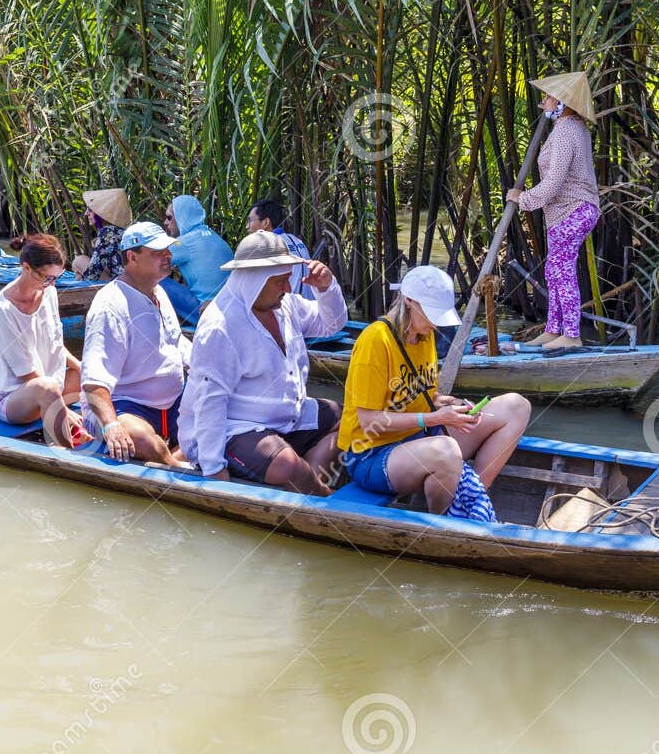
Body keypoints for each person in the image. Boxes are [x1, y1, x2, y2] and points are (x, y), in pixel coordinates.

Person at [338, 266, 531, 521]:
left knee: (516, 406)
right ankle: (444, 523)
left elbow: (425, 397)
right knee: (447, 450)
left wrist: (452, 404)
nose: (434, 323)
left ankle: (469, 505)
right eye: (430, 314)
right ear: (408, 301)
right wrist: (436, 419)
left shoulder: (424, 335)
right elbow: (369, 421)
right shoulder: (376, 340)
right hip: (372, 454)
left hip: (419, 436)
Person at [180, 231, 348, 494]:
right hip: (232, 429)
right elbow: (210, 401)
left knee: (351, 420)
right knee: (285, 464)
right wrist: (214, 469)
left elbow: (332, 324)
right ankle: (325, 501)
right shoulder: (220, 326)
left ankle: (311, 478)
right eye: (280, 282)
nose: (288, 289)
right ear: (254, 280)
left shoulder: (285, 305)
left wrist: (326, 289)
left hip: (287, 417)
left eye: (287, 280)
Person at [81, 222, 192, 468]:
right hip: (128, 405)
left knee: (222, 419)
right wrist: (111, 425)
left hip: (173, 403)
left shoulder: (159, 291)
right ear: (132, 256)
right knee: (145, 442)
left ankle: (173, 459)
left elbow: (177, 343)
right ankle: (176, 467)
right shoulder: (111, 304)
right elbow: (94, 381)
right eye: (157, 253)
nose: (168, 257)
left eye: (168, 251)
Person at [507, 72, 600, 348]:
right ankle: (553, 329)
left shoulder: (565, 131)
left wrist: (522, 198)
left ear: (563, 103)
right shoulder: (574, 127)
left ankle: (571, 336)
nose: (544, 101)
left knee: (562, 268)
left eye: (548, 97)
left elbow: (554, 183)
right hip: (568, 211)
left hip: (574, 209)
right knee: (553, 269)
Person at [0, 232, 85, 446]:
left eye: (55, 278)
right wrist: (63, 410)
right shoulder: (2, 310)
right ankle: (67, 455)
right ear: (26, 267)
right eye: (45, 277)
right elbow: (27, 375)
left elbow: (56, 343)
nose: (50, 283)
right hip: (16, 399)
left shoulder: (49, 292)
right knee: (47, 387)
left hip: (52, 388)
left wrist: (83, 369)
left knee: (93, 371)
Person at [161, 195, 232, 322]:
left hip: (204, 310)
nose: (165, 222)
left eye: (169, 217)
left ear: (181, 217)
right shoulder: (213, 236)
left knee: (153, 279)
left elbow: (150, 264)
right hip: (227, 307)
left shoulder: (185, 242)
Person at [247, 197, 313, 299]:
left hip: (289, 309)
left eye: (250, 220)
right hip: (310, 306)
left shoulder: (267, 245)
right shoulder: (296, 240)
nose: (247, 226)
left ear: (265, 223)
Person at [74, 188, 131, 281]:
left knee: (79, 261)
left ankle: (83, 293)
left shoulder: (107, 233)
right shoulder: (121, 231)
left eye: (90, 210)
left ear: (101, 213)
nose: (86, 213)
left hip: (120, 283)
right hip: (127, 280)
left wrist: (81, 280)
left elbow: (93, 274)